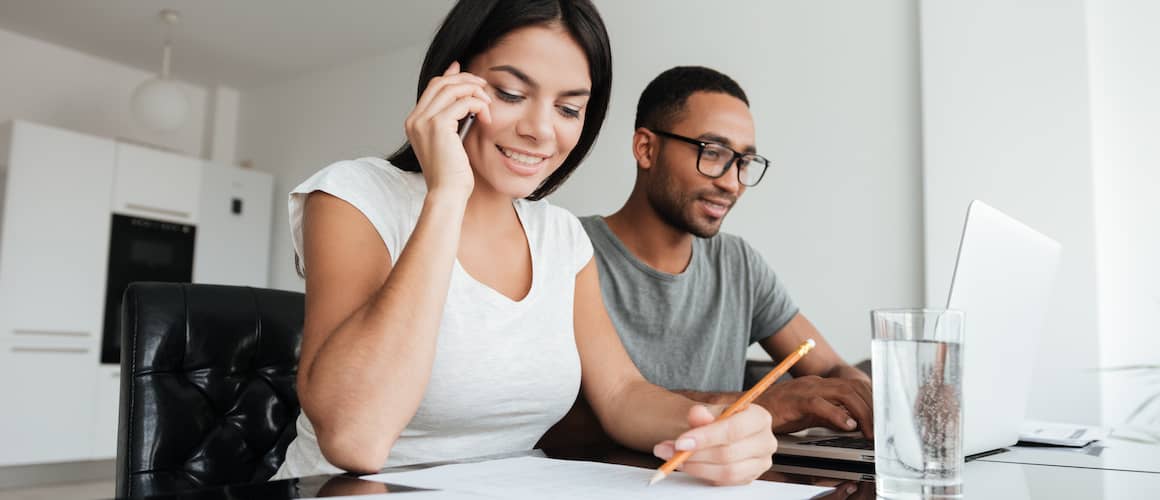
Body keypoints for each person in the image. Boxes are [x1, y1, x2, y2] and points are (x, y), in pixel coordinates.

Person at [272, 2, 776, 485]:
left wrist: (716, 426)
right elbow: (354, 440)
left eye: (568, 108)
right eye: (511, 94)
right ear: (448, 85)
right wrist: (447, 194)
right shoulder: (354, 197)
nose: (540, 131)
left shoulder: (561, 237)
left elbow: (622, 394)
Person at [566, 66, 873, 442]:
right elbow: (568, 419)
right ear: (646, 149)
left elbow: (831, 369)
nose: (731, 182)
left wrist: (874, 403)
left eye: (744, 162)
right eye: (712, 153)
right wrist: (764, 405)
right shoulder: (568, 250)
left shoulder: (738, 264)